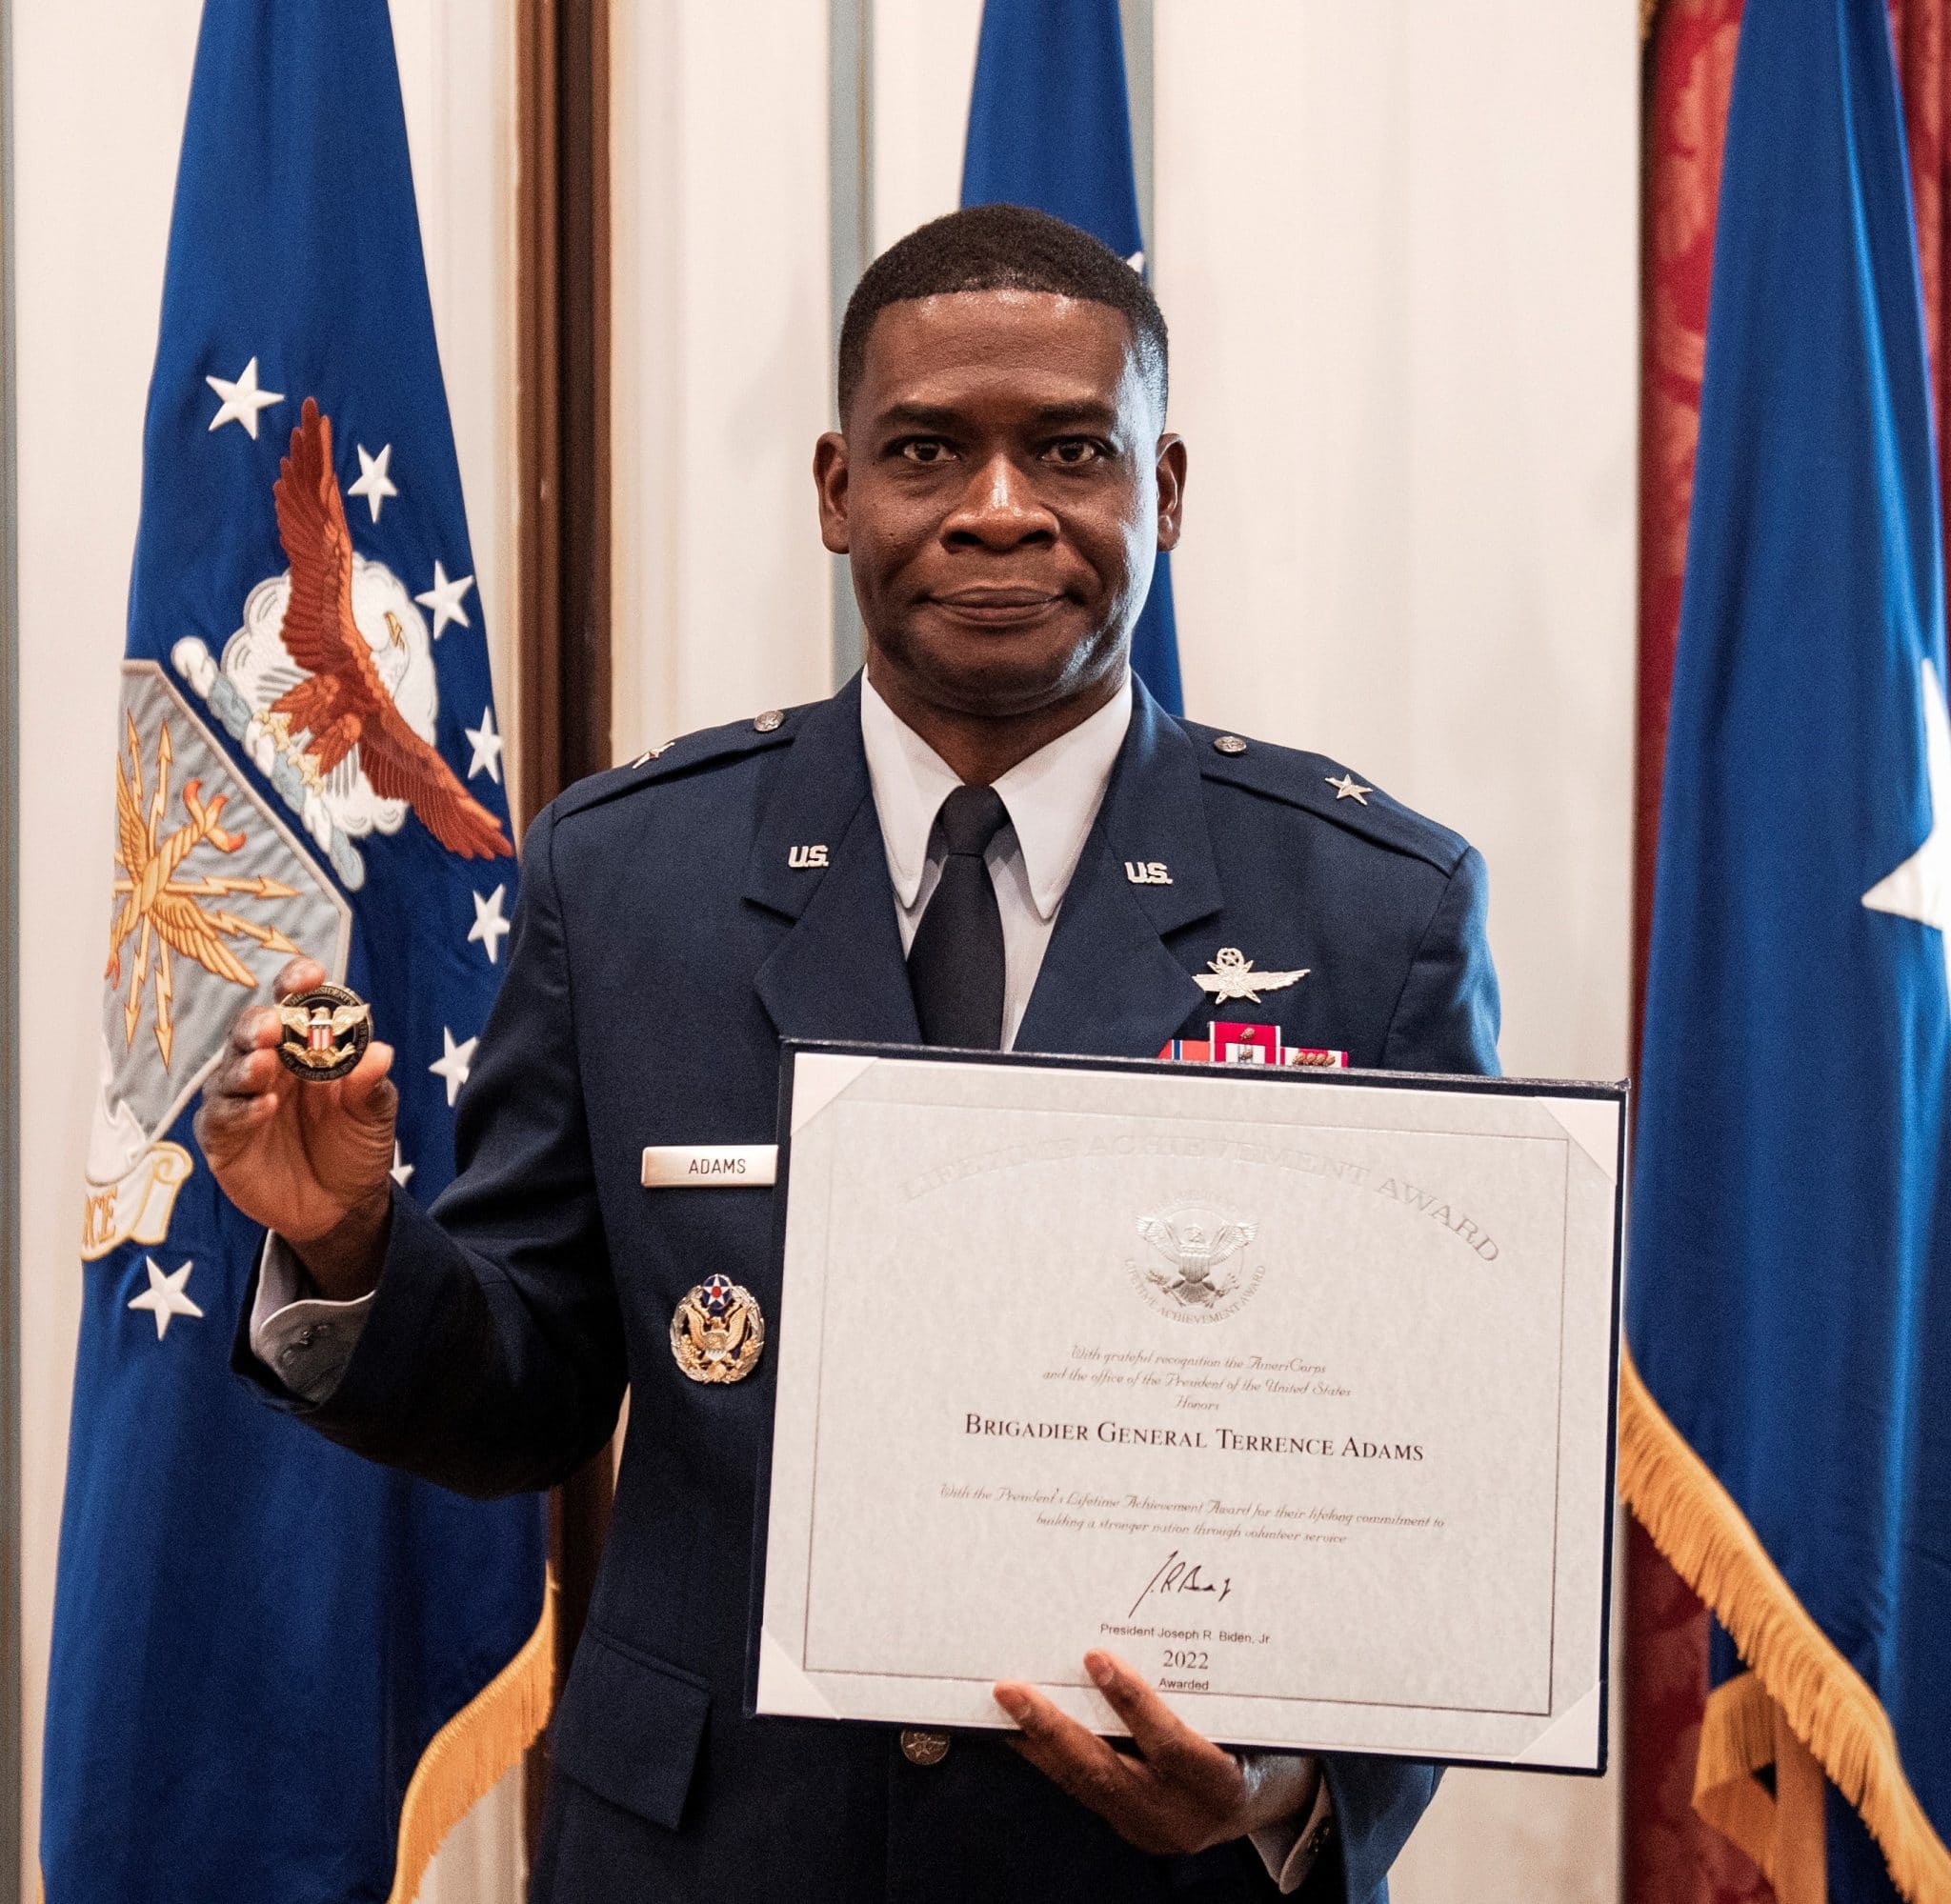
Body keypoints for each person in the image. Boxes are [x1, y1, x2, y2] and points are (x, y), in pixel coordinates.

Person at [200, 204, 1499, 1901]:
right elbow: (530, 1391)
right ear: (835, 491)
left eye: (1070, 451)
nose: (998, 510)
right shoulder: (624, 875)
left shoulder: (1374, 907)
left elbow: (1442, 1471)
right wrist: (351, 1246)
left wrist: (1284, 1788)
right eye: (924, 451)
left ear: (1163, 492)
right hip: (711, 1853)